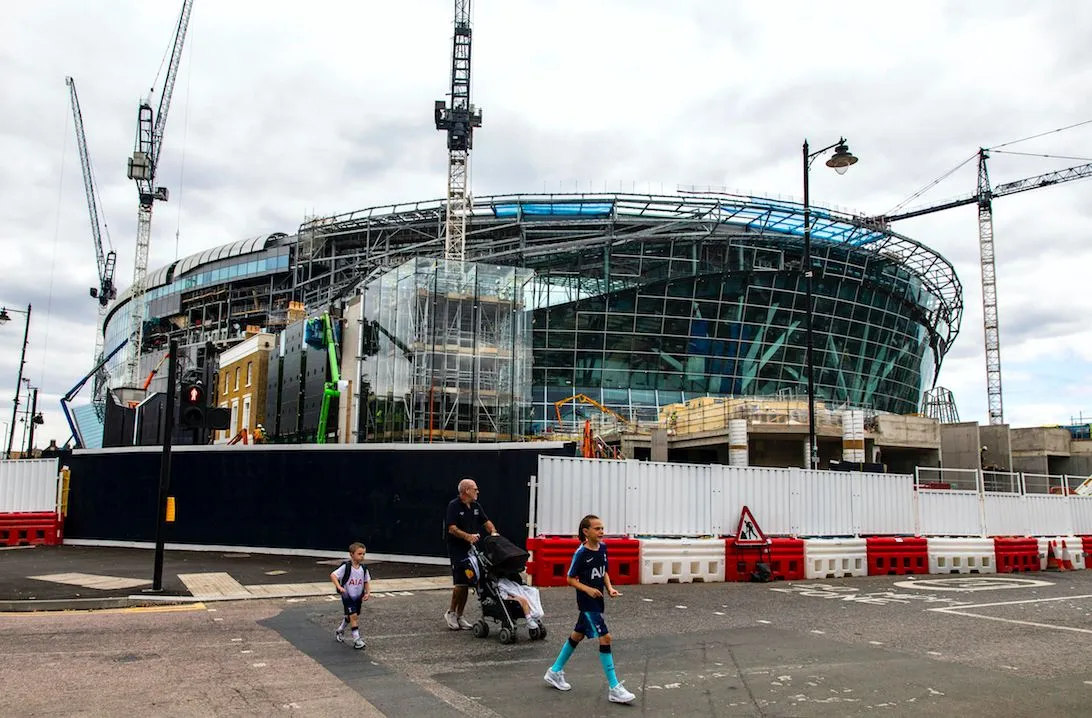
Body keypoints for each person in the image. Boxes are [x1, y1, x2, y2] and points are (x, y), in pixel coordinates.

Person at [543, 514, 635, 704]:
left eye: (602, 528)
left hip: (598, 600)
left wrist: (609, 588)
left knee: (577, 635)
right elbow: (569, 579)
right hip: (587, 602)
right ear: (586, 532)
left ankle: (554, 671)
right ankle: (614, 688)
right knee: (606, 637)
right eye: (597, 528)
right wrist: (588, 589)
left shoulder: (603, 548)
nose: (601, 532)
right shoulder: (581, 553)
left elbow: (604, 571)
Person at [444, 477, 497, 630]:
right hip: (457, 548)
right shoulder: (454, 506)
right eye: (475, 489)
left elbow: (486, 522)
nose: (477, 491)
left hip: (470, 549)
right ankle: (451, 613)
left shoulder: (476, 506)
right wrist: (468, 536)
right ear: (466, 490)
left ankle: (460, 616)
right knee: (460, 582)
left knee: (468, 582)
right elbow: (451, 528)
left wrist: (494, 533)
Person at [330, 542, 371, 649]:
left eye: (363, 554)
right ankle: (357, 640)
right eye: (359, 554)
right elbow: (333, 575)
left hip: (358, 596)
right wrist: (339, 587)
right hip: (347, 596)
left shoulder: (364, 568)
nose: (362, 556)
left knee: (351, 616)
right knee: (354, 616)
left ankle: (340, 630)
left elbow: (366, 581)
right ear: (351, 554)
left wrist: (368, 592)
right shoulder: (346, 567)